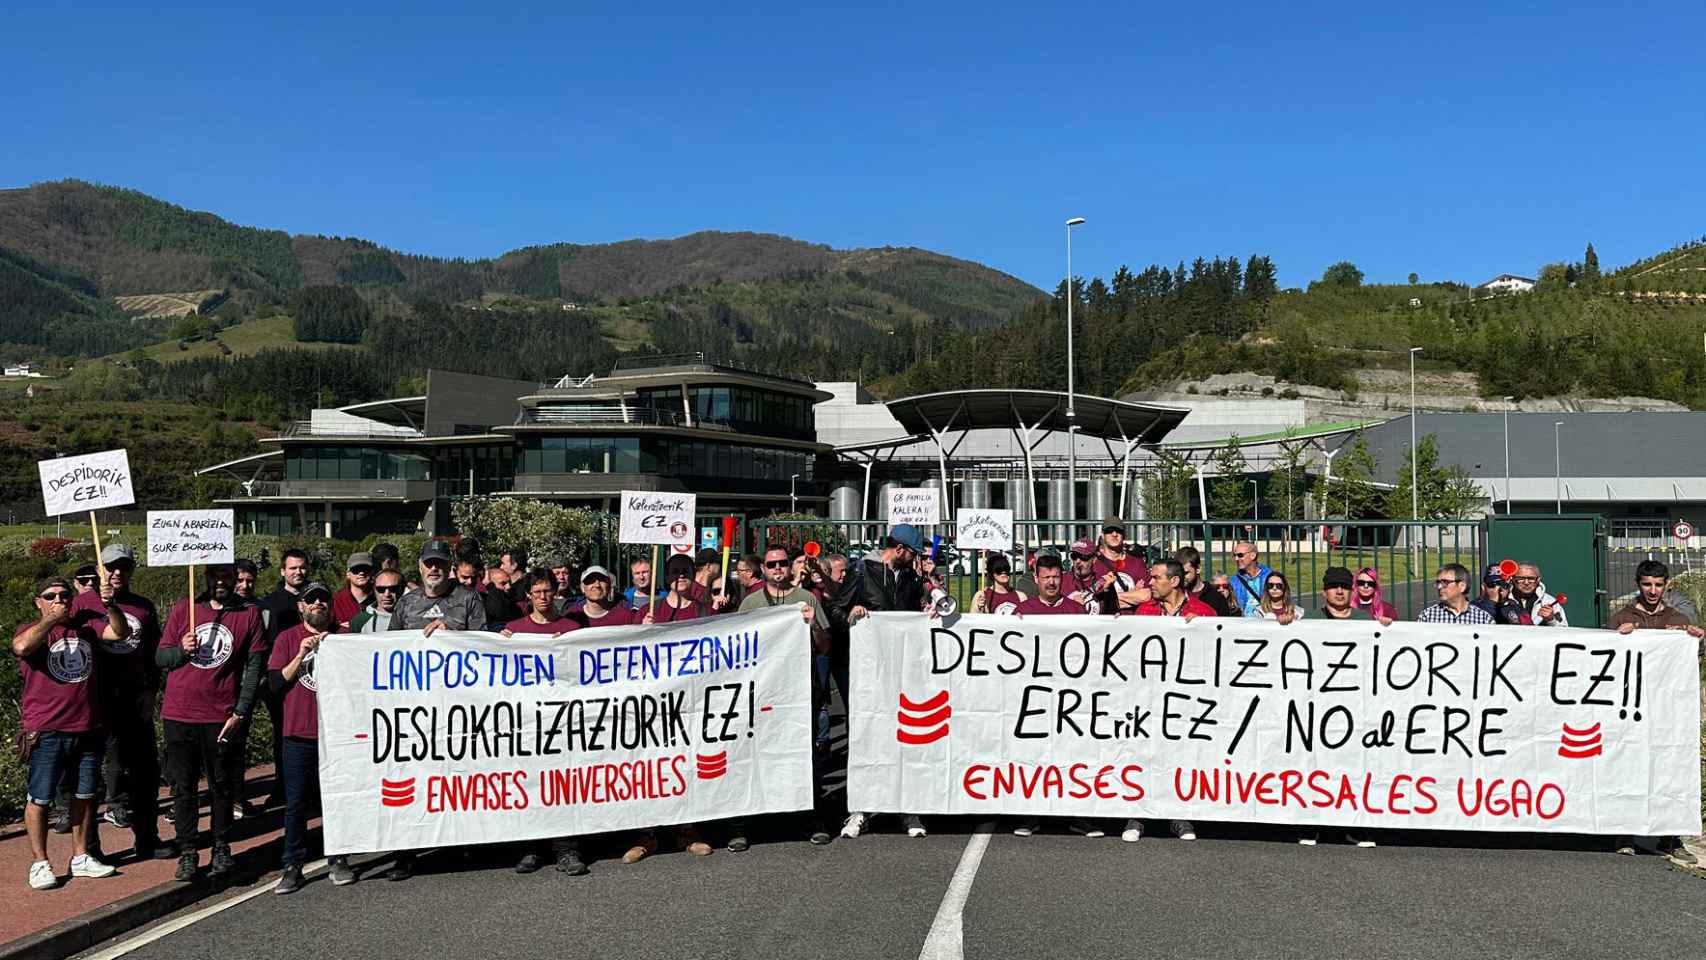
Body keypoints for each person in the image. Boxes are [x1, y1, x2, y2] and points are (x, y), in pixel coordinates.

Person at [382, 542, 487, 882]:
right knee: (414, 778)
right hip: (416, 710)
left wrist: (452, 635)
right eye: (429, 563)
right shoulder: (406, 604)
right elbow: (388, 653)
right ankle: (405, 852)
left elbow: (485, 645)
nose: (434, 569)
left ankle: (463, 844)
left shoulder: (468, 599)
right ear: (420, 565)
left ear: (450, 566)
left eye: (441, 563)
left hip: (459, 706)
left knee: (458, 777)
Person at [15, 575, 128, 889]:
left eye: (64, 595)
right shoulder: (30, 630)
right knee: (40, 797)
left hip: (87, 726)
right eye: (50, 596)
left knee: (85, 793)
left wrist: (110, 605)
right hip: (47, 729)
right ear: (38, 602)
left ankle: (80, 857)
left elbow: (120, 633)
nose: (59, 600)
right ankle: (40, 863)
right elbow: (22, 647)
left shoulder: (86, 628)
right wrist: (50, 620)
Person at [157, 562, 267, 881]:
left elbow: (254, 666)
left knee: (221, 786)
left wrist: (241, 710)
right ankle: (189, 851)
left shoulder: (247, 615)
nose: (221, 581)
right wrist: (181, 650)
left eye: (227, 576)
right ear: (204, 578)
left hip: (220, 715)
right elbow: (160, 658)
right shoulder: (185, 610)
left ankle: (221, 845)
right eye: (215, 576)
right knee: (184, 787)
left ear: (235, 579)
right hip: (179, 713)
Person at [71, 545, 173, 862]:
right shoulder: (80, 604)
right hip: (94, 700)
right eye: (111, 567)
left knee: (144, 771)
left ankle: (147, 838)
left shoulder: (143, 606)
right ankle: (89, 847)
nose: (117, 573)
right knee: (91, 774)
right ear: (101, 569)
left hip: (133, 699)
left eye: (124, 567)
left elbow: (154, 653)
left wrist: (151, 691)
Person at [832, 524, 930, 839]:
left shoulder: (912, 580)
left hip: (901, 668)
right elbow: (834, 609)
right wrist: (851, 613)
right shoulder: (861, 571)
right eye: (913, 554)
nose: (915, 561)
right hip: (868, 670)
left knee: (905, 734)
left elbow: (913, 617)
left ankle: (907, 807)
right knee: (866, 734)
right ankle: (859, 809)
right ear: (899, 549)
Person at [736, 544, 834, 848]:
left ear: (791, 567)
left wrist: (812, 623)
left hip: (800, 689)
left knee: (804, 753)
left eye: (782, 563)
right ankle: (746, 821)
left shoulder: (806, 599)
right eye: (771, 564)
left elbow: (825, 645)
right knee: (754, 752)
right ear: (762, 569)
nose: (778, 568)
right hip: (764, 690)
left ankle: (810, 816)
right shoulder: (751, 602)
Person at [266, 582, 355, 893]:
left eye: (323, 599)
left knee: (336, 800)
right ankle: (292, 864)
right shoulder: (287, 639)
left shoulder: (345, 638)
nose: (318, 603)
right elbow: (276, 684)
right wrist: (302, 653)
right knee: (297, 804)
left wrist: (339, 649)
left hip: (337, 736)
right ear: (300, 607)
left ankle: (339, 857)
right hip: (298, 734)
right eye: (311, 599)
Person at [1123, 558, 1213, 843]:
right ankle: (1138, 815)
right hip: (1148, 696)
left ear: (1174, 581)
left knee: (1181, 755)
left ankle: (1179, 816)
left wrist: (1201, 630)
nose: (1150, 582)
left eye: (1156, 578)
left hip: (1187, 698)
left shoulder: (1203, 612)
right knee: (1145, 753)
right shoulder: (1145, 611)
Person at [1090, 517, 1150, 612]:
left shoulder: (1137, 563)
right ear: (1102, 535)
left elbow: (1145, 595)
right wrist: (1133, 594)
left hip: (1131, 622)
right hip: (1103, 622)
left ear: (1124, 535)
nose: (1114, 534)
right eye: (1109, 531)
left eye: (1118, 531)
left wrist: (1108, 598)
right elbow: (1092, 601)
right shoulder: (1094, 564)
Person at [1416, 564, 1495, 625]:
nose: (1439, 587)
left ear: (1462, 586)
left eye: (1445, 582)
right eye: (1438, 583)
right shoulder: (1427, 617)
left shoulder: (1483, 619)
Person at [566, 566, 642, 628]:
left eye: (602, 580)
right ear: (582, 588)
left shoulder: (626, 617)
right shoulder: (571, 618)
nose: (597, 585)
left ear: (609, 586)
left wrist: (646, 628)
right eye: (590, 581)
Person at [643, 555, 711, 623]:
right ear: (667, 577)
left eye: (686, 571)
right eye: (675, 572)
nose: (681, 575)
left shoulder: (707, 614)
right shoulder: (647, 612)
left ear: (693, 576)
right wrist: (644, 629)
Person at [1316, 567, 1392, 624]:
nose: (1339, 591)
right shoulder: (1310, 619)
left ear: (1352, 592)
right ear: (1324, 592)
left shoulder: (1365, 619)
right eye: (1333, 586)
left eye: (1345, 586)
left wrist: (1384, 629)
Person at [1176, 546, 1236, 617]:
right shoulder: (1175, 595)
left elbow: (1223, 625)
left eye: (1186, 573)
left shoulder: (1215, 598)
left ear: (1198, 569)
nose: (1182, 577)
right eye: (1179, 573)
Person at [1509, 562, 1567, 627]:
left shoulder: (1549, 601)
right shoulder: (1503, 599)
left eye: (1531, 579)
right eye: (1520, 578)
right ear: (1513, 579)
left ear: (1538, 580)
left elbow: (1564, 631)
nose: (1526, 582)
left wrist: (1551, 620)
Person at [1227, 541, 1273, 616]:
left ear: (1253, 555)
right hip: (1242, 624)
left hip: (1265, 623)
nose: (1236, 559)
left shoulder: (1271, 578)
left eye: (1240, 555)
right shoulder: (1234, 581)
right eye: (1234, 555)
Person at [331, 552, 375, 629]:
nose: (361, 573)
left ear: (372, 572)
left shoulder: (380, 598)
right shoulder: (335, 601)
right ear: (348, 574)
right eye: (356, 570)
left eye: (366, 569)